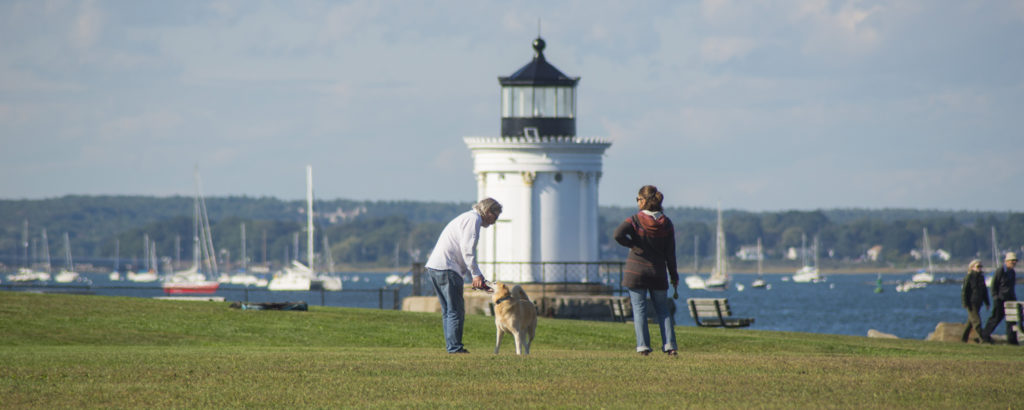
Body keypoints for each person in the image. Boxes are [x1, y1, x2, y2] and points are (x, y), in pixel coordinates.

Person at [424, 198, 502, 354]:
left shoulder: (466, 217)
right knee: (455, 311)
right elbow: (467, 250)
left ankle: (452, 346)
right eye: (496, 216)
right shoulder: (473, 220)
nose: (495, 221)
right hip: (447, 268)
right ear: (488, 212)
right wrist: (476, 275)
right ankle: (455, 348)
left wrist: (474, 276)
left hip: (435, 266)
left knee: (448, 311)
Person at [613, 185, 679, 356]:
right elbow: (670, 254)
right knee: (663, 310)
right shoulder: (667, 224)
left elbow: (617, 234)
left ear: (644, 201)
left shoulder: (635, 220)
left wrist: (632, 245)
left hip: (636, 272)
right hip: (658, 273)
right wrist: (674, 276)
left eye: (638, 199)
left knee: (639, 309)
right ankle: (670, 345)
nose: (637, 203)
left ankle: (643, 347)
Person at [982, 252, 1018, 345]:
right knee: (996, 318)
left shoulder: (1012, 272)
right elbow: (994, 285)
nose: (1014, 263)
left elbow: (1011, 287)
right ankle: (985, 336)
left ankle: (1012, 340)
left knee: (1012, 320)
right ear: (1007, 261)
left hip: (1010, 300)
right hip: (1000, 299)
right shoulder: (1000, 270)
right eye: (1012, 261)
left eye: (1015, 261)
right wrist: (995, 297)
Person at [961, 259, 990, 343]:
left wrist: (987, 303)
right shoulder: (969, 277)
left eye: (981, 267)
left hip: (978, 303)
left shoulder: (981, 277)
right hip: (971, 303)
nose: (980, 268)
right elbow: (964, 291)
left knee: (970, 322)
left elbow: (984, 291)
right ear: (972, 267)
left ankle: (963, 339)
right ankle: (983, 339)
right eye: (978, 266)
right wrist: (965, 303)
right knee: (977, 322)